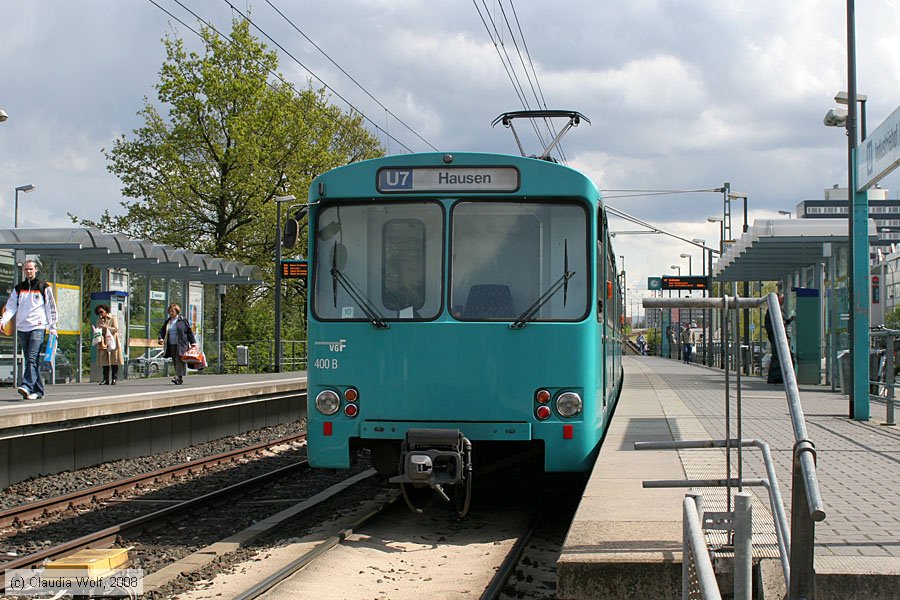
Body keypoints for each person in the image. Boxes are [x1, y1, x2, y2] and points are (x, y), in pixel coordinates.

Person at [0, 260, 58, 400]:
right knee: (31, 360)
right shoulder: (19, 288)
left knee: (32, 358)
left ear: (36, 269)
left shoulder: (43, 287)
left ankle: (26, 386)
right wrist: (3, 320)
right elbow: (11, 306)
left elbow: (51, 308)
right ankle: (38, 391)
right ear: (24, 271)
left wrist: (52, 327)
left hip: (37, 327)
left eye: (31, 269)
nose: (29, 271)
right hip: (22, 327)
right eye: (26, 269)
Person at [157, 303, 197, 385]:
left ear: (177, 311)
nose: (171, 313)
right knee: (175, 360)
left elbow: (189, 332)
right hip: (171, 344)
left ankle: (178, 376)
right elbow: (162, 331)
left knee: (179, 359)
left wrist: (193, 342)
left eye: (172, 311)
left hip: (181, 343)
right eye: (170, 311)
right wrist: (160, 338)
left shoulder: (182, 320)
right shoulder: (168, 321)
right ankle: (179, 377)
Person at [764, 293, 794, 384]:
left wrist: (790, 320)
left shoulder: (778, 310)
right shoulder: (773, 311)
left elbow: (783, 321)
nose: (783, 300)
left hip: (777, 336)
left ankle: (777, 376)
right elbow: (776, 324)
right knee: (777, 356)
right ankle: (774, 377)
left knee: (779, 356)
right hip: (776, 337)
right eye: (781, 298)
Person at [95, 304, 123, 385]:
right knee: (105, 361)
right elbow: (98, 329)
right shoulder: (99, 320)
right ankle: (105, 379)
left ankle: (114, 378)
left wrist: (106, 327)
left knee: (114, 359)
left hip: (112, 341)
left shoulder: (112, 318)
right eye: (99, 313)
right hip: (104, 342)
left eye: (101, 312)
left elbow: (115, 329)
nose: (100, 314)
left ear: (105, 311)